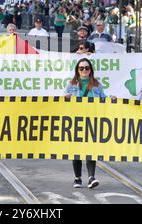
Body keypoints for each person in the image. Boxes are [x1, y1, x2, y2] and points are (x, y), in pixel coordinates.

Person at [64, 58, 106, 189]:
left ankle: (91, 177)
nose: (84, 70)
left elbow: (105, 100)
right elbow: (62, 102)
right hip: (76, 120)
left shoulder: (97, 85)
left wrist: (112, 99)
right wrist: (66, 98)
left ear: (90, 70)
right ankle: (77, 178)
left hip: (92, 120)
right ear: (77, 70)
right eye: (81, 68)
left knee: (91, 149)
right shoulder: (71, 85)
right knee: (76, 149)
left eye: (86, 68)